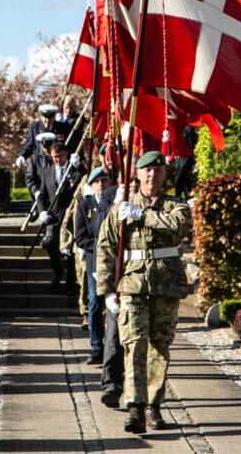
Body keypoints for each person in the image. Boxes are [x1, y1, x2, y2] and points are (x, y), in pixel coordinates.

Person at [96, 151, 192, 433]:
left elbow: (179, 227)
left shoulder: (177, 205)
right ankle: (135, 408)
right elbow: (104, 250)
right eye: (146, 171)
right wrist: (106, 292)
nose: (152, 175)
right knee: (134, 346)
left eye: (157, 171)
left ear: (164, 175)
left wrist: (144, 216)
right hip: (132, 287)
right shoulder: (120, 210)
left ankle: (154, 406)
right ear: (137, 174)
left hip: (166, 285)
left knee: (159, 347)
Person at [97, 158, 137, 409]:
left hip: (143, 286)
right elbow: (103, 246)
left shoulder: (157, 205)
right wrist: (107, 291)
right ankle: (111, 385)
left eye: (137, 178)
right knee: (113, 338)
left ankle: (140, 397)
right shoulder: (112, 198)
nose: (133, 184)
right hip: (118, 284)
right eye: (130, 179)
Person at [74, 166, 113, 364]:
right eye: (97, 182)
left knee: (115, 306)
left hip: (115, 262)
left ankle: (114, 347)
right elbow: (80, 237)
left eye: (104, 181)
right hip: (95, 263)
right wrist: (100, 247)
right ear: (90, 185)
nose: (101, 185)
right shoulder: (84, 207)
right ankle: (96, 348)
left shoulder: (116, 204)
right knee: (95, 305)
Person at [34, 140, 86, 287]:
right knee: (50, 244)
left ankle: (70, 282)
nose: (57, 159)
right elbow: (42, 196)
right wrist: (42, 211)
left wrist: (79, 167)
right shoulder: (47, 172)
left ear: (66, 154)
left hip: (71, 216)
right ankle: (57, 272)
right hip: (54, 216)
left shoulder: (74, 170)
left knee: (70, 250)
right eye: (54, 156)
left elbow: (85, 181)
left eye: (60, 156)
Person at [173, 124, 198, 200]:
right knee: (184, 177)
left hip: (186, 155)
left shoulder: (189, 128)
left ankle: (179, 196)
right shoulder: (181, 127)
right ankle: (187, 196)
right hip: (181, 156)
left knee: (181, 175)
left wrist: (194, 160)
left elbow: (192, 144)